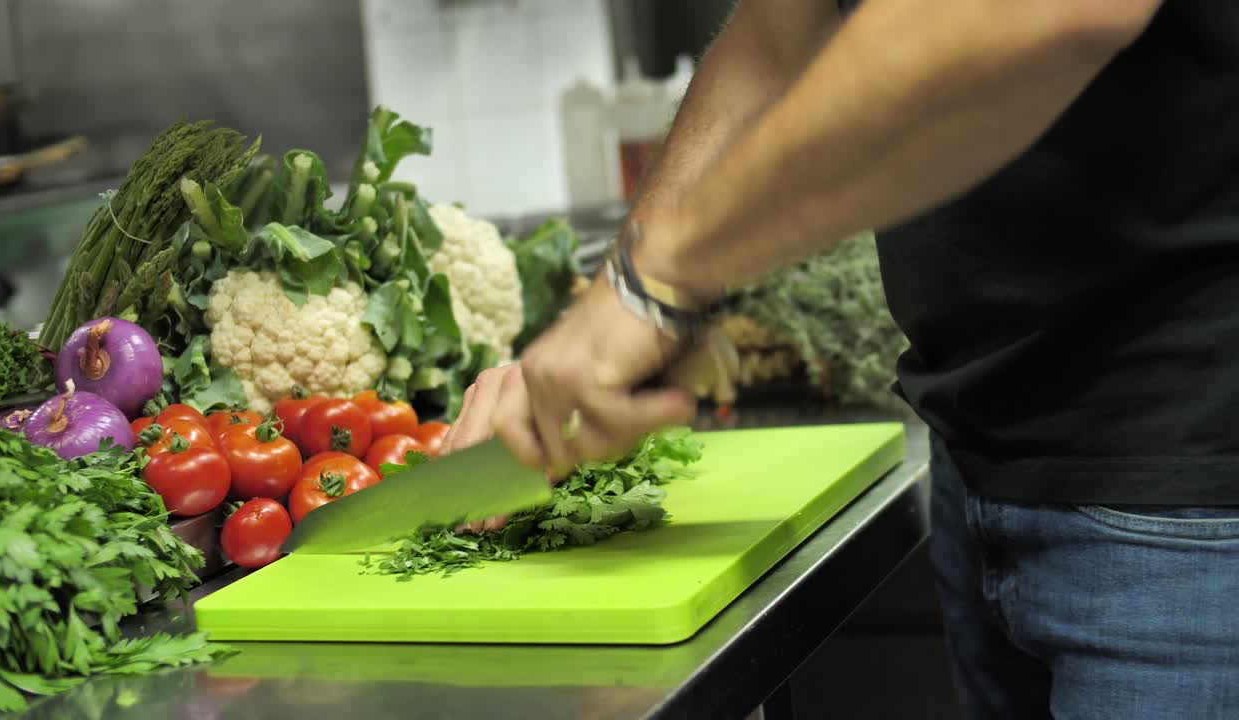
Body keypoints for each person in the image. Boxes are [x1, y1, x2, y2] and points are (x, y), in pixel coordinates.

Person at [443, 1, 1239, 717]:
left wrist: (659, 278)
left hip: (1186, 488)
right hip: (977, 448)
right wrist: (631, 295)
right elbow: (777, 38)